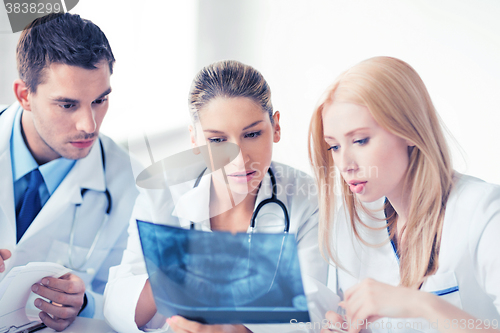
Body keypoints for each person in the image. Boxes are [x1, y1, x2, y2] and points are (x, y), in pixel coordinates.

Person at [103, 60, 331, 333]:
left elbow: (316, 310)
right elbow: (117, 303)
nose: (239, 159)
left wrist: (234, 331)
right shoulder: (161, 193)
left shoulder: (307, 198)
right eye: (217, 140)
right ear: (195, 139)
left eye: (253, 134)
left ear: (276, 127)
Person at [308, 56, 500, 333]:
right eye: (334, 147)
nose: (345, 164)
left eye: (360, 140)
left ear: (408, 130)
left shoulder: (483, 213)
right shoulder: (353, 225)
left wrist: (423, 305)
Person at [0, 13, 138, 331]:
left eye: (100, 100)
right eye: (67, 105)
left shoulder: (130, 185)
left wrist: (86, 303)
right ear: (25, 96)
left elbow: (134, 304)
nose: (89, 125)